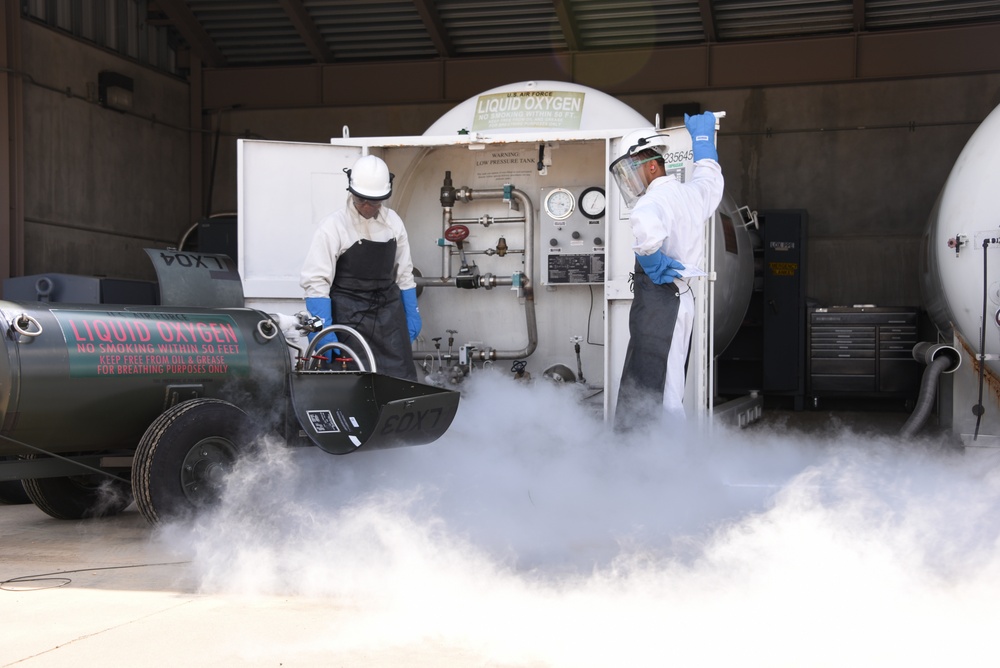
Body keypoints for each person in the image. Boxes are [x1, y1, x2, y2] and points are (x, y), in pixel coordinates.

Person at [608, 111, 724, 430]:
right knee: (665, 378)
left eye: (633, 171)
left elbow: (646, 235)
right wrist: (703, 143)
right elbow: (710, 182)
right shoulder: (688, 194)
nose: (632, 181)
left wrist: (652, 260)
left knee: (654, 383)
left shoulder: (652, 202)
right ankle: (647, 456)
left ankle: (655, 461)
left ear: (652, 165)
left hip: (662, 301)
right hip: (680, 299)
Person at [300, 154, 421, 381]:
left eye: (373, 202)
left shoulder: (394, 223)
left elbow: (404, 273)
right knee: (349, 384)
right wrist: (323, 329)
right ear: (351, 192)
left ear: (384, 197)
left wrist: (412, 312)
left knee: (398, 383)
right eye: (360, 199)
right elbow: (316, 281)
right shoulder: (333, 227)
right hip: (347, 317)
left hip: (388, 317)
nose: (366, 206)